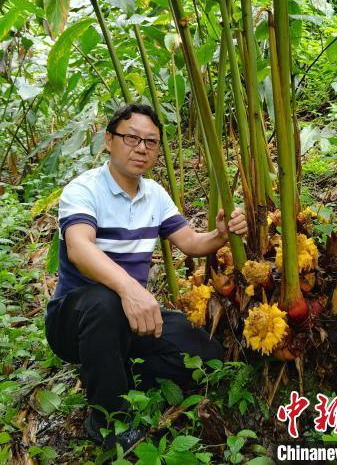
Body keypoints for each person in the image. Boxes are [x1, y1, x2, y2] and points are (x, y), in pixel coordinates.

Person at [45, 103, 247, 450]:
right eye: (132, 138)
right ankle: (107, 418)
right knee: (104, 301)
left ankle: (110, 371)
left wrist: (220, 235)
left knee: (207, 355)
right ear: (109, 140)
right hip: (74, 321)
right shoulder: (84, 190)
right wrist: (128, 288)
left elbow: (190, 242)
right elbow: (79, 248)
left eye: (151, 142)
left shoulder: (154, 194)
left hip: (128, 318)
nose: (141, 148)